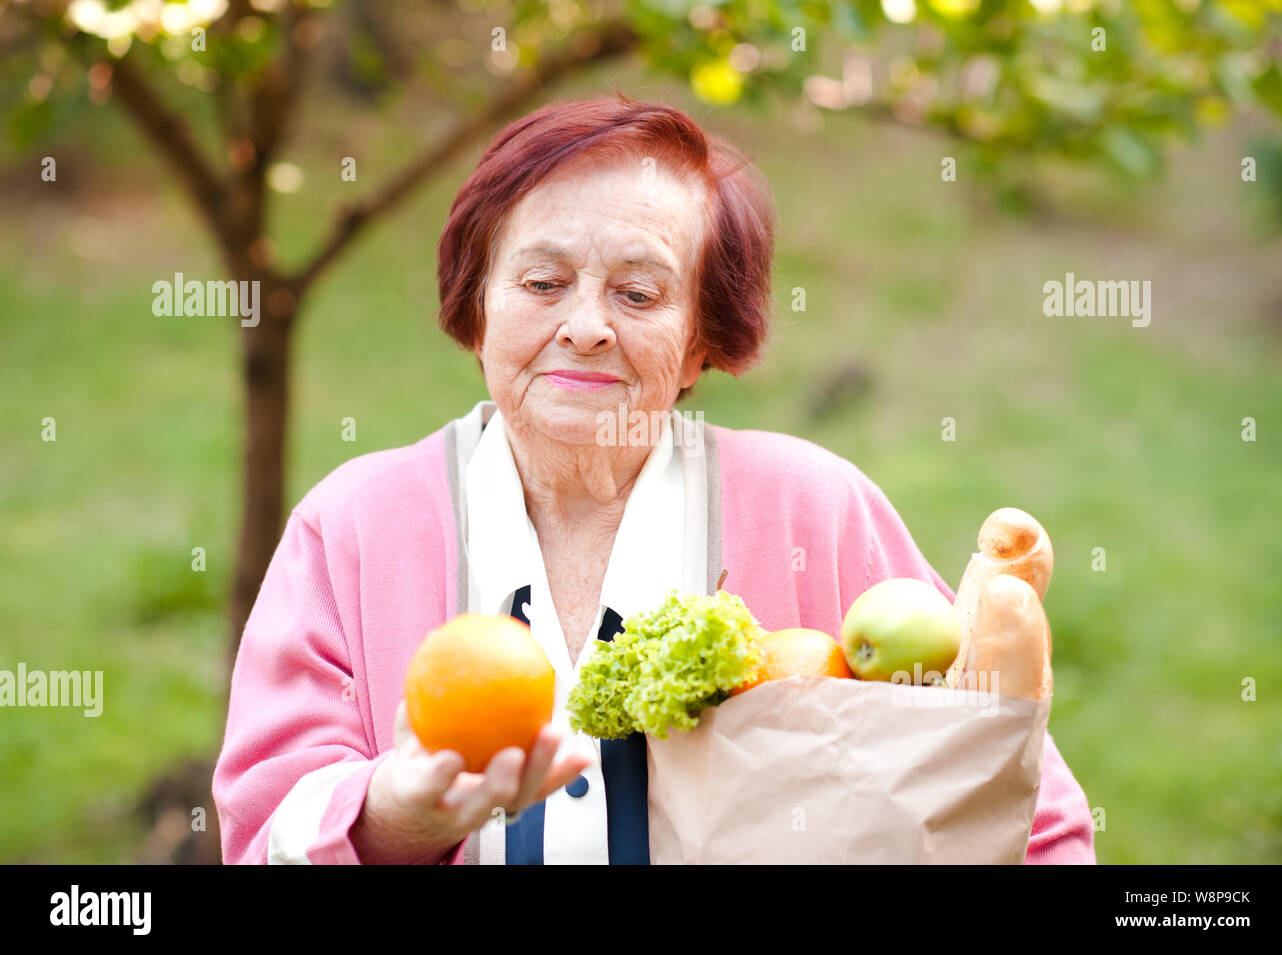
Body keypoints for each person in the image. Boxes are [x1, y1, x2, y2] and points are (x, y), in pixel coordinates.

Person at [212, 94, 1096, 864]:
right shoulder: (354, 526)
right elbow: (263, 836)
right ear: (477, 307)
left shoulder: (812, 508)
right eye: (543, 280)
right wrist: (397, 815)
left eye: (638, 295)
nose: (586, 326)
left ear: (701, 344)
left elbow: (1030, 817)